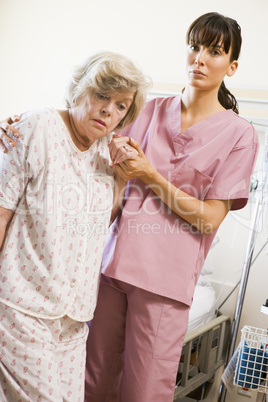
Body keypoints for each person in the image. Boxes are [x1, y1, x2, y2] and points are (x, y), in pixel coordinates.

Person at [83, 12, 259, 402]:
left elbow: (211, 217)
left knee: (143, 393)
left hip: (164, 283)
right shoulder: (145, 109)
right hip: (112, 266)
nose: (199, 58)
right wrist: (27, 125)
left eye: (213, 51)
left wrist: (149, 175)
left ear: (231, 66)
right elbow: (90, 141)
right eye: (194, 47)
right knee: (92, 383)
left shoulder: (239, 134)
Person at [0, 51, 150, 401]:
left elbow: (99, 223)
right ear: (80, 88)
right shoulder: (36, 127)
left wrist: (121, 182)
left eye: (121, 106)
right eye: (102, 95)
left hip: (74, 318)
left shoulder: (107, 153)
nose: (108, 111)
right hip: (23, 309)